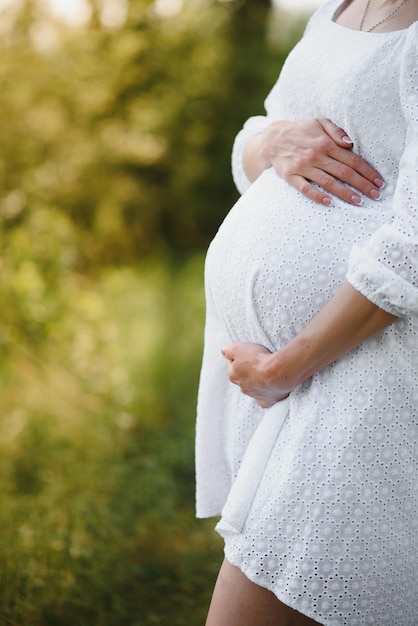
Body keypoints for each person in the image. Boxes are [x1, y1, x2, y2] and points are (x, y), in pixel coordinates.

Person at [195, 0, 418, 624]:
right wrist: (275, 140)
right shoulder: (336, 8)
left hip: (369, 373)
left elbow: (415, 246)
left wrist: (284, 368)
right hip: (298, 382)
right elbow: (253, 142)